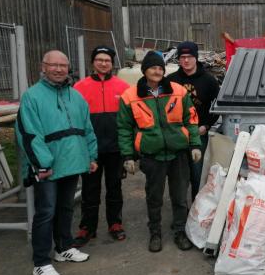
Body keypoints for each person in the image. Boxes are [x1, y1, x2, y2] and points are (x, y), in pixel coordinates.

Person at [16, 50, 97, 275]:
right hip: (48, 167)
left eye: (63, 65)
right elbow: (29, 133)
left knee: (66, 208)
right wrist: (42, 163)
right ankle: (41, 262)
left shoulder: (76, 96)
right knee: (46, 212)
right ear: (43, 67)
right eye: (54, 65)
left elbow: (87, 128)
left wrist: (91, 156)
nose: (59, 69)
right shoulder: (32, 97)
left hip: (73, 163)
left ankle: (63, 248)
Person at [117, 51, 202, 252]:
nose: (157, 71)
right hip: (152, 156)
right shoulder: (130, 96)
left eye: (160, 68)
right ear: (144, 70)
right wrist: (128, 156)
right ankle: (155, 232)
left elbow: (191, 119)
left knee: (180, 196)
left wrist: (195, 144)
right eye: (153, 67)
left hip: (178, 154)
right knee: (154, 197)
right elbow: (124, 128)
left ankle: (180, 232)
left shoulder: (178, 91)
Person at [72, 46, 131, 246]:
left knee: (115, 188)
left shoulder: (123, 87)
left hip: (115, 148)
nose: (103, 63)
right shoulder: (80, 87)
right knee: (90, 190)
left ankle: (115, 223)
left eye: (107, 60)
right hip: (90, 149)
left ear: (112, 63)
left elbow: (129, 119)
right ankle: (87, 227)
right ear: (93, 62)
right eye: (99, 59)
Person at [167, 41, 220, 200]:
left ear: (196, 58)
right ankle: (181, 212)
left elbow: (216, 107)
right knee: (178, 178)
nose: (186, 60)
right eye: (182, 57)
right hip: (176, 135)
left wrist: (206, 125)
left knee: (197, 175)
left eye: (189, 56)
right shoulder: (171, 80)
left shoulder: (209, 80)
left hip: (199, 133)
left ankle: (196, 211)